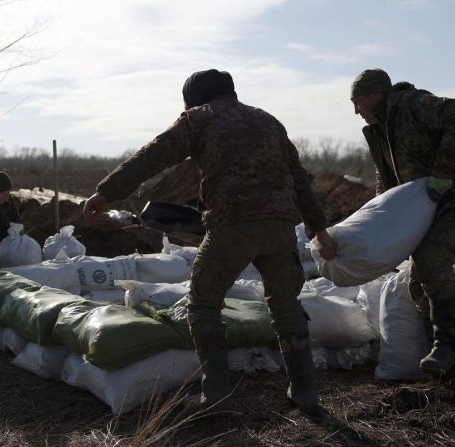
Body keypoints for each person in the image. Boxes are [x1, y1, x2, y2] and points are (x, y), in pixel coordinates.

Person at [83, 69, 336, 416]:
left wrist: (106, 192)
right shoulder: (269, 121)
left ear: (194, 98)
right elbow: (299, 180)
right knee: (287, 306)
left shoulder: (198, 119)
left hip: (232, 226)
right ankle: (306, 393)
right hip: (279, 228)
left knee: (203, 305)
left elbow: (153, 156)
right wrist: (318, 228)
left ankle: (215, 396)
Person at [350, 68, 455, 376]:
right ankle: (443, 357)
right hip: (428, 207)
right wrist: (384, 223)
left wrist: (443, 173)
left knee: (432, 259)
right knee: (417, 283)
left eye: (358, 102)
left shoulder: (414, 105)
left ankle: (446, 347)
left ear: (376, 95)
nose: (356, 111)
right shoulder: (379, 132)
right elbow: (386, 180)